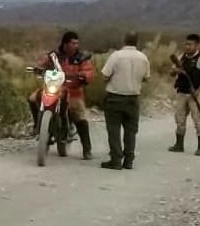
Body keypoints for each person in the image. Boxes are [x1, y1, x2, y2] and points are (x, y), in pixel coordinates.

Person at [27, 31, 95, 159]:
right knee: (32, 98)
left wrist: (84, 75)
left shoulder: (81, 58)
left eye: (77, 43)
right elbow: (41, 63)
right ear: (65, 44)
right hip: (53, 87)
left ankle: (87, 149)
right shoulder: (54, 56)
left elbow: (89, 71)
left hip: (73, 91)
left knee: (79, 115)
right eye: (73, 43)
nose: (76, 45)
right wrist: (37, 68)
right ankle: (38, 126)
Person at [99, 31, 151, 169]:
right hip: (133, 98)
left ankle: (116, 160)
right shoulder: (143, 58)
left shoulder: (116, 56)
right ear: (137, 42)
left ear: (124, 40)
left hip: (115, 97)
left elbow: (104, 75)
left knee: (114, 130)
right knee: (131, 131)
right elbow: (146, 78)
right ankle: (129, 160)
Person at [168, 33, 200, 156]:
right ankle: (179, 145)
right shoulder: (181, 57)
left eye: (190, 44)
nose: (187, 47)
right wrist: (176, 70)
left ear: (197, 45)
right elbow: (171, 73)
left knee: (198, 120)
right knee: (179, 119)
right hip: (182, 92)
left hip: (194, 94)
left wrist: (198, 90)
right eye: (186, 44)